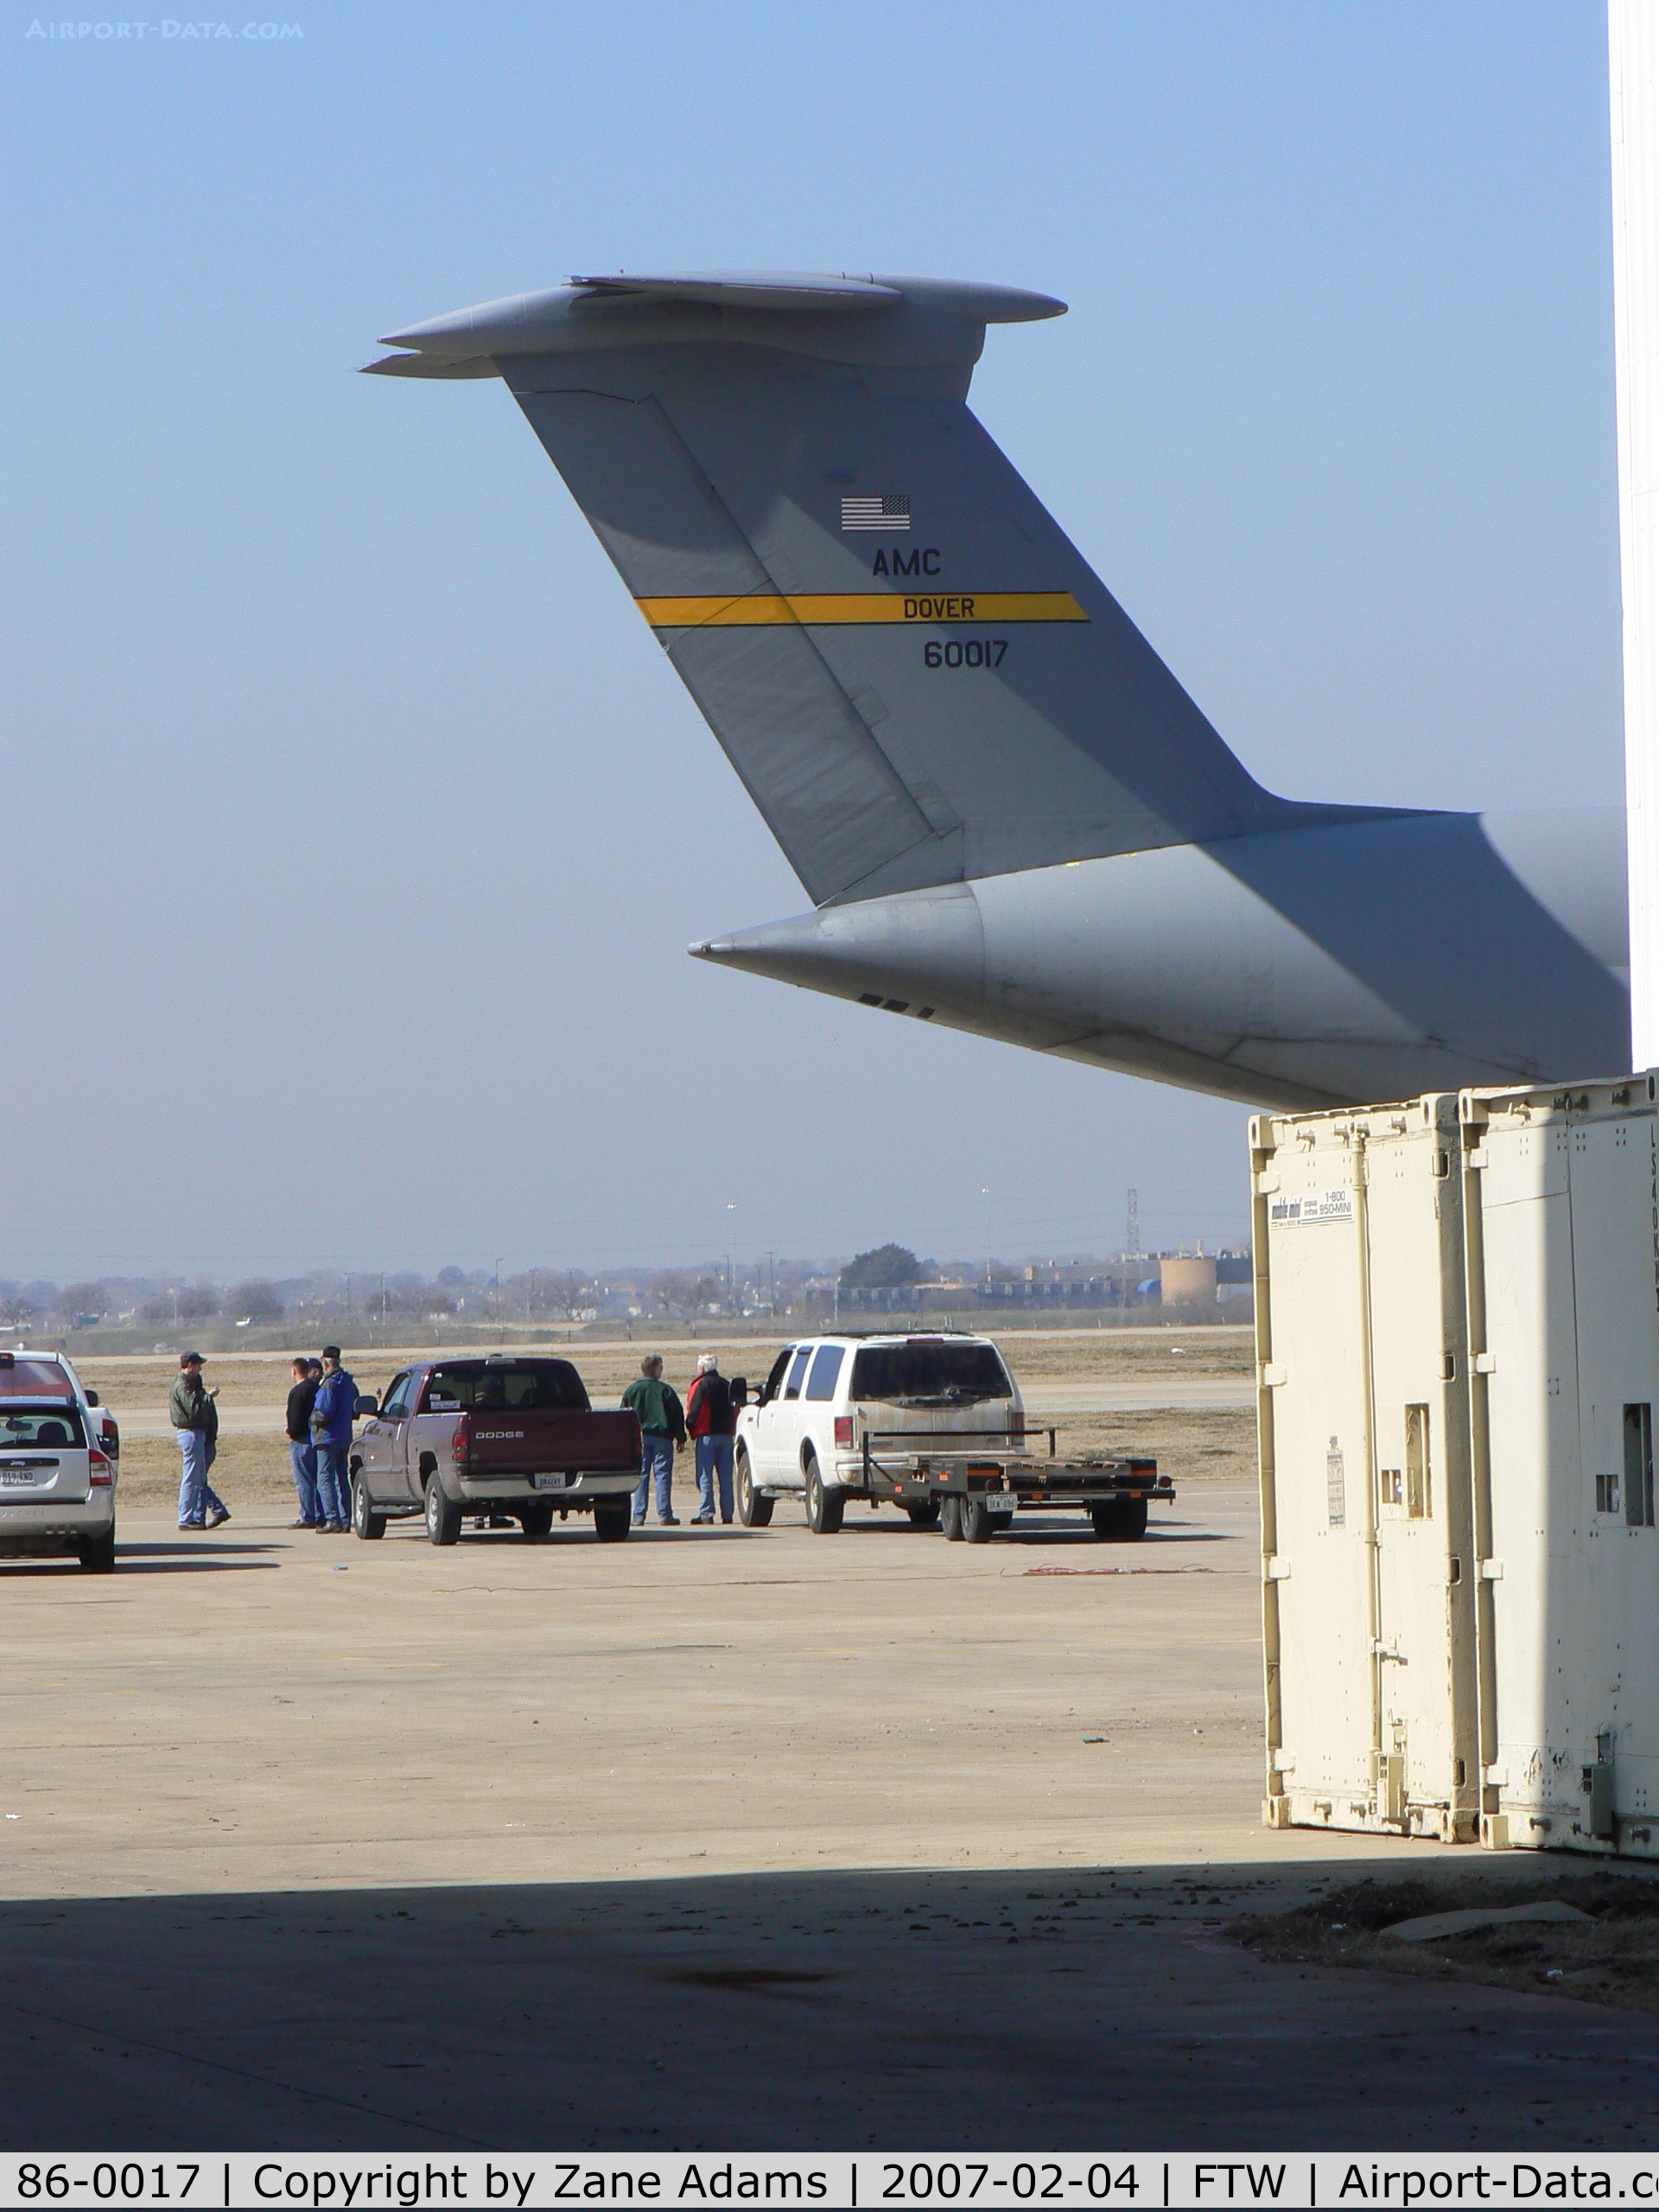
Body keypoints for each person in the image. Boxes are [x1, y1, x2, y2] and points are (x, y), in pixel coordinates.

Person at [622, 1354, 685, 1526]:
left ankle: (638, 1515)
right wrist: (681, 1437)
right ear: (655, 1369)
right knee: (663, 1475)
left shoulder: (632, 1390)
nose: (662, 1370)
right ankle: (665, 1514)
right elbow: (676, 1414)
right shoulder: (665, 1390)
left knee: (641, 1475)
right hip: (662, 1438)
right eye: (660, 1367)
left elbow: (623, 1415)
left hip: (640, 1438)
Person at [170, 1351, 229, 1530]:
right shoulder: (183, 1385)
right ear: (189, 1365)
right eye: (197, 1365)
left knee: (197, 1479)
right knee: (191, 1478)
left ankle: (197, 1516)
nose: (200, 1368)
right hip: (190, 1433)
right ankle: (186, 1518)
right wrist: (208, 1396)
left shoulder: (193, 1383)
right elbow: (194, 1408)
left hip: (198, 1433)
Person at [310, 1344, 359, 1533]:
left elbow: (323, 1412)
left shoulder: (329, 1384)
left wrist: (312, 1417)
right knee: (341, 1478)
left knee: (325, 1478)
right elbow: (355, 1409)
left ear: (325, 1362)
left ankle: (333, 1519)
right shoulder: (348, 1383)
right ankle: (346, 1519)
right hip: (344, 1435)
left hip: (327, 1437)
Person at [685, 1351, 737, 1525]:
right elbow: (735, 1409)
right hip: (725, 1437)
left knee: (705, 1477)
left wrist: (691, 1428)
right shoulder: (726, 1385)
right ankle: (728, 1514)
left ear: (702, 1368)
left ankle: (707, 1513)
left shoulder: (702, 1385)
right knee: (726, 1477)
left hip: (707, 1436)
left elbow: (695, 1410)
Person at [285, 1356, 321, 1529]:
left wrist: (291, 1430)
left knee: (304, 1480)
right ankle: (320, 1513)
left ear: (294, 1371)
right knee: (317, 1478)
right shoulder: (317, 1388)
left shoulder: (297, 1392)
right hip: (316, 1438)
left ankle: (308, 1515)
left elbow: (295, 1417)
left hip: (301, 1440)